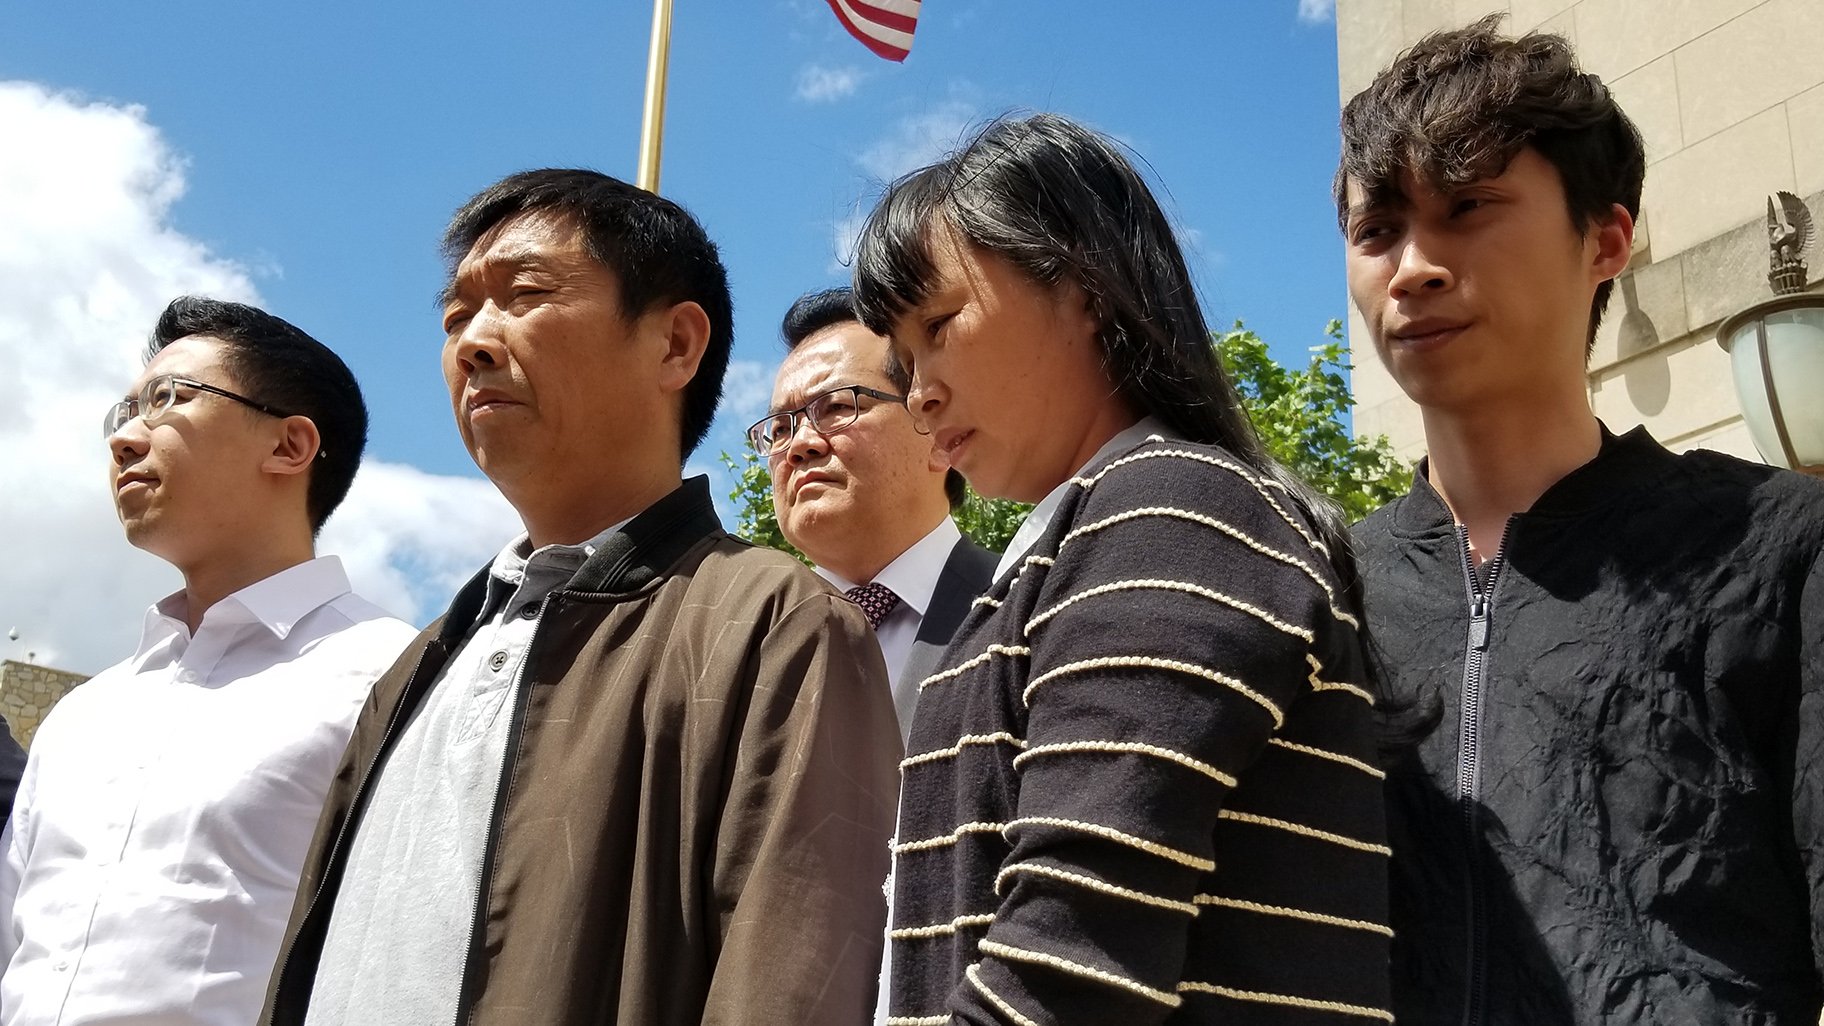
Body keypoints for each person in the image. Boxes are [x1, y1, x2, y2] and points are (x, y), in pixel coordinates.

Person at [261, 170, 901, 1026]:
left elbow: (792, 986)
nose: (474, 343)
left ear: (676, 344)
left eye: (524, 296)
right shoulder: (416, 665)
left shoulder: (780, 629)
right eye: (456, 318)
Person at [851, 113, 1390, 1025]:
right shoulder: (1087, 534)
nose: (919, 391)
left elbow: (1073, 966)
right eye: (902, 362)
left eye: (941, 324)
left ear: (1086, 285)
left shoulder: (1168, 512)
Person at [1339, 16, 1824, 1024]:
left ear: (1606, 238)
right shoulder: (1319, 594)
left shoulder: (1779, 550)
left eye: (1469, 207)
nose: (1414, 264)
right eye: (1377, 229)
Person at [0, 296, 415, 1026]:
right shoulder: (84, 716)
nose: (126, 438)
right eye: (122, 413)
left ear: (290, 446)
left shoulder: (393, 679)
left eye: (168, 400)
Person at [755, 286, 998, 741]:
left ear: (935, 432)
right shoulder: (745, 643)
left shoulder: (1025, 604)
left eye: (838, 407)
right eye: (780, 428)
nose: (800, 444)